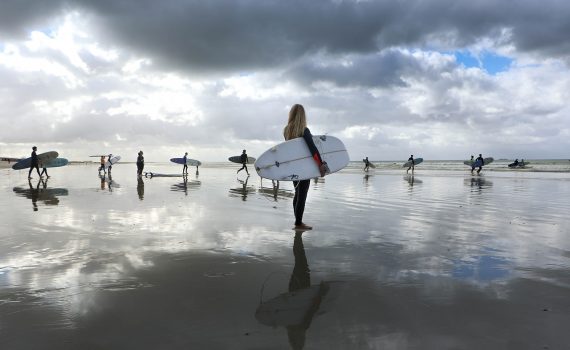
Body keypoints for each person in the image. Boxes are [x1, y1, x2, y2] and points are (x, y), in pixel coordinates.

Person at [284, 104, 328, 231]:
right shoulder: (304, 130)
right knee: (302, 195)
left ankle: (297, 221)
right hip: (304, 168)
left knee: (297, 193)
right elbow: (312, 149)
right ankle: (298, 223)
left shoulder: (286, 130)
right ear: (303, 115)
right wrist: (320, 164)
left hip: (293, 167)